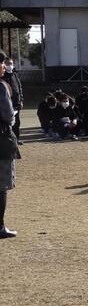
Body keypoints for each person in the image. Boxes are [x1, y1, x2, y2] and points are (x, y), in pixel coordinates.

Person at [0, 58, 19, 237]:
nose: (5, 67)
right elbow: (7, 114)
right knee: (1, 185)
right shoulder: (1, 86)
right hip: (1, 139)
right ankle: (0, 227)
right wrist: (12, 118)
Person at [1, 54, 23, 143]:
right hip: (8, 104)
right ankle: (9, 140)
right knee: (9, 123)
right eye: (8, 63)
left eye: (11, 63)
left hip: (16, 103)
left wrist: (21, 100)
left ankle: (16, 139)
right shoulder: (3, 76)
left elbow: (19, 88)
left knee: (17, 123)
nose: (10, 65)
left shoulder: (14, 75)